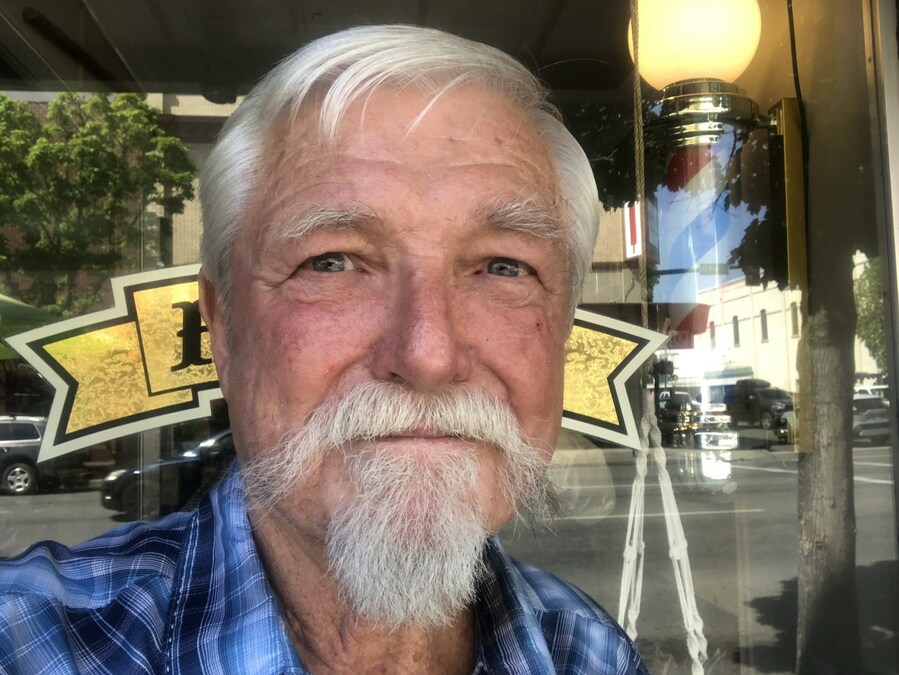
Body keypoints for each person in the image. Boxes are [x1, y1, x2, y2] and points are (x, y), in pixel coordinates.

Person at [0, 25, 649, 674]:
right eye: (331, 261)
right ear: (223, 327)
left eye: (504, 267)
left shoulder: (590, 653)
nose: (428, 356)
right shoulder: (30, 641)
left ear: (562, 328)